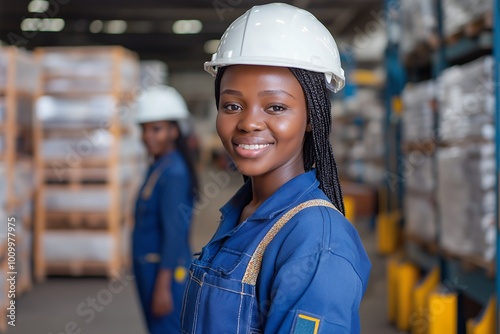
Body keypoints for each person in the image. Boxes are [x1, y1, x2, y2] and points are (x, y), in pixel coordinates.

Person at [180, 3, 371, 334]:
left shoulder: (316, 245)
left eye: (276, 107)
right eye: (232, 105)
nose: (249, 122)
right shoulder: (244, 214)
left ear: (313, 118)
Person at [132, 85, 198, 334]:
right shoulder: (160, 165)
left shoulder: (174, 173)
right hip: (149, 267)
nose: (148, 136)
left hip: (163, 271)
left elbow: (174, 232)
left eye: (156, 129)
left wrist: (163, 286)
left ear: (174, 131)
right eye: (145, 129)